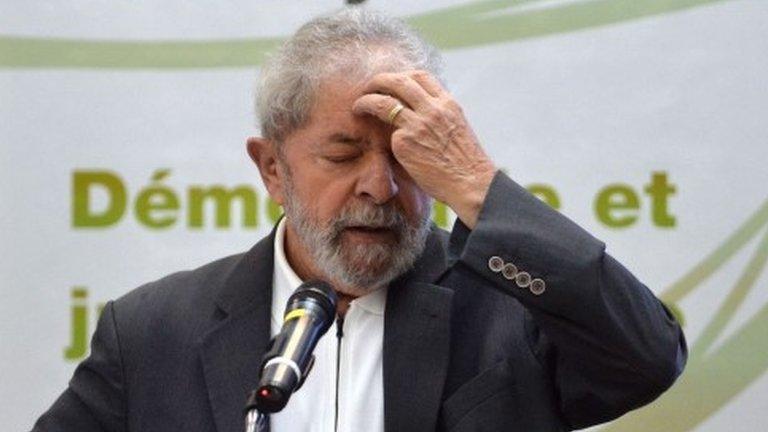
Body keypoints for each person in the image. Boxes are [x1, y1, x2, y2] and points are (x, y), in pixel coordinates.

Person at [32, 8, 686, 432]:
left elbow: (648, 359)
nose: (380, 185)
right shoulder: (152, 334)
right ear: (272, 171)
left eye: (410, 155)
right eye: (344, 154)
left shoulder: (512, 315)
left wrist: (476, 186)